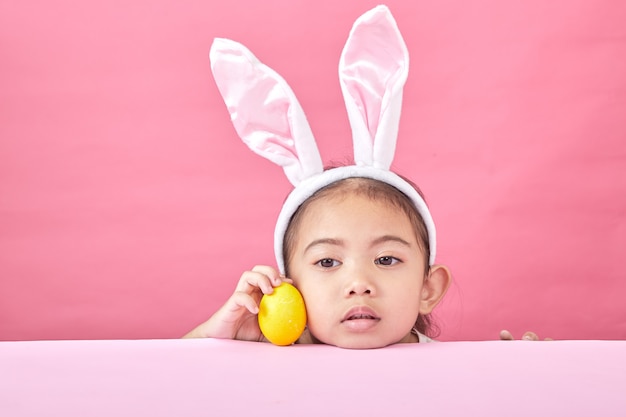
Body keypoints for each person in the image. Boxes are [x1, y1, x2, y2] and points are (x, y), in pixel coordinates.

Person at [185, 6, 548, 347]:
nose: (359, 285)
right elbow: (161, 381)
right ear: (289, 289)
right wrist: (220, 338)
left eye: (386, 259)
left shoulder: (451, 369)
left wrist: (520, 377)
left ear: (428, 289)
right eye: (327, 262)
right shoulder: (276, 359)